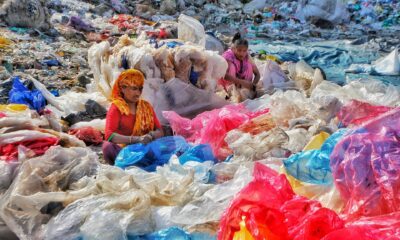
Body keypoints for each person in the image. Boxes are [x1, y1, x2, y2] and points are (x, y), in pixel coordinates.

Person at [102, 69, 163, 165]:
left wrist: (150, 136)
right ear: (123, 88)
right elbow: (109, 135)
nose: (138, 93)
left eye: (140, 89)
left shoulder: (146, 106)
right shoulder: (116, 108)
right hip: (123, 150)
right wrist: (136, 139)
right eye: (134, 88)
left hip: (143, 148)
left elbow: (159, 130)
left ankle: (141, 162)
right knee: (107, 147)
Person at [220, 32, 260, 102]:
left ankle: (243, 90)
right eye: (239, 50)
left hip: (240, 82)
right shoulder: (228, 56)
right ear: (234, 49)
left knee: (249, 66)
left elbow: (257, 74)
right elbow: (224, 75)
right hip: (227, 83)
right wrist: (243, 82)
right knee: (231, 67)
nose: (242, 53)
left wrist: (252, 85)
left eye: (244, 51)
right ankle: (230, 92)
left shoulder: (247, 56)